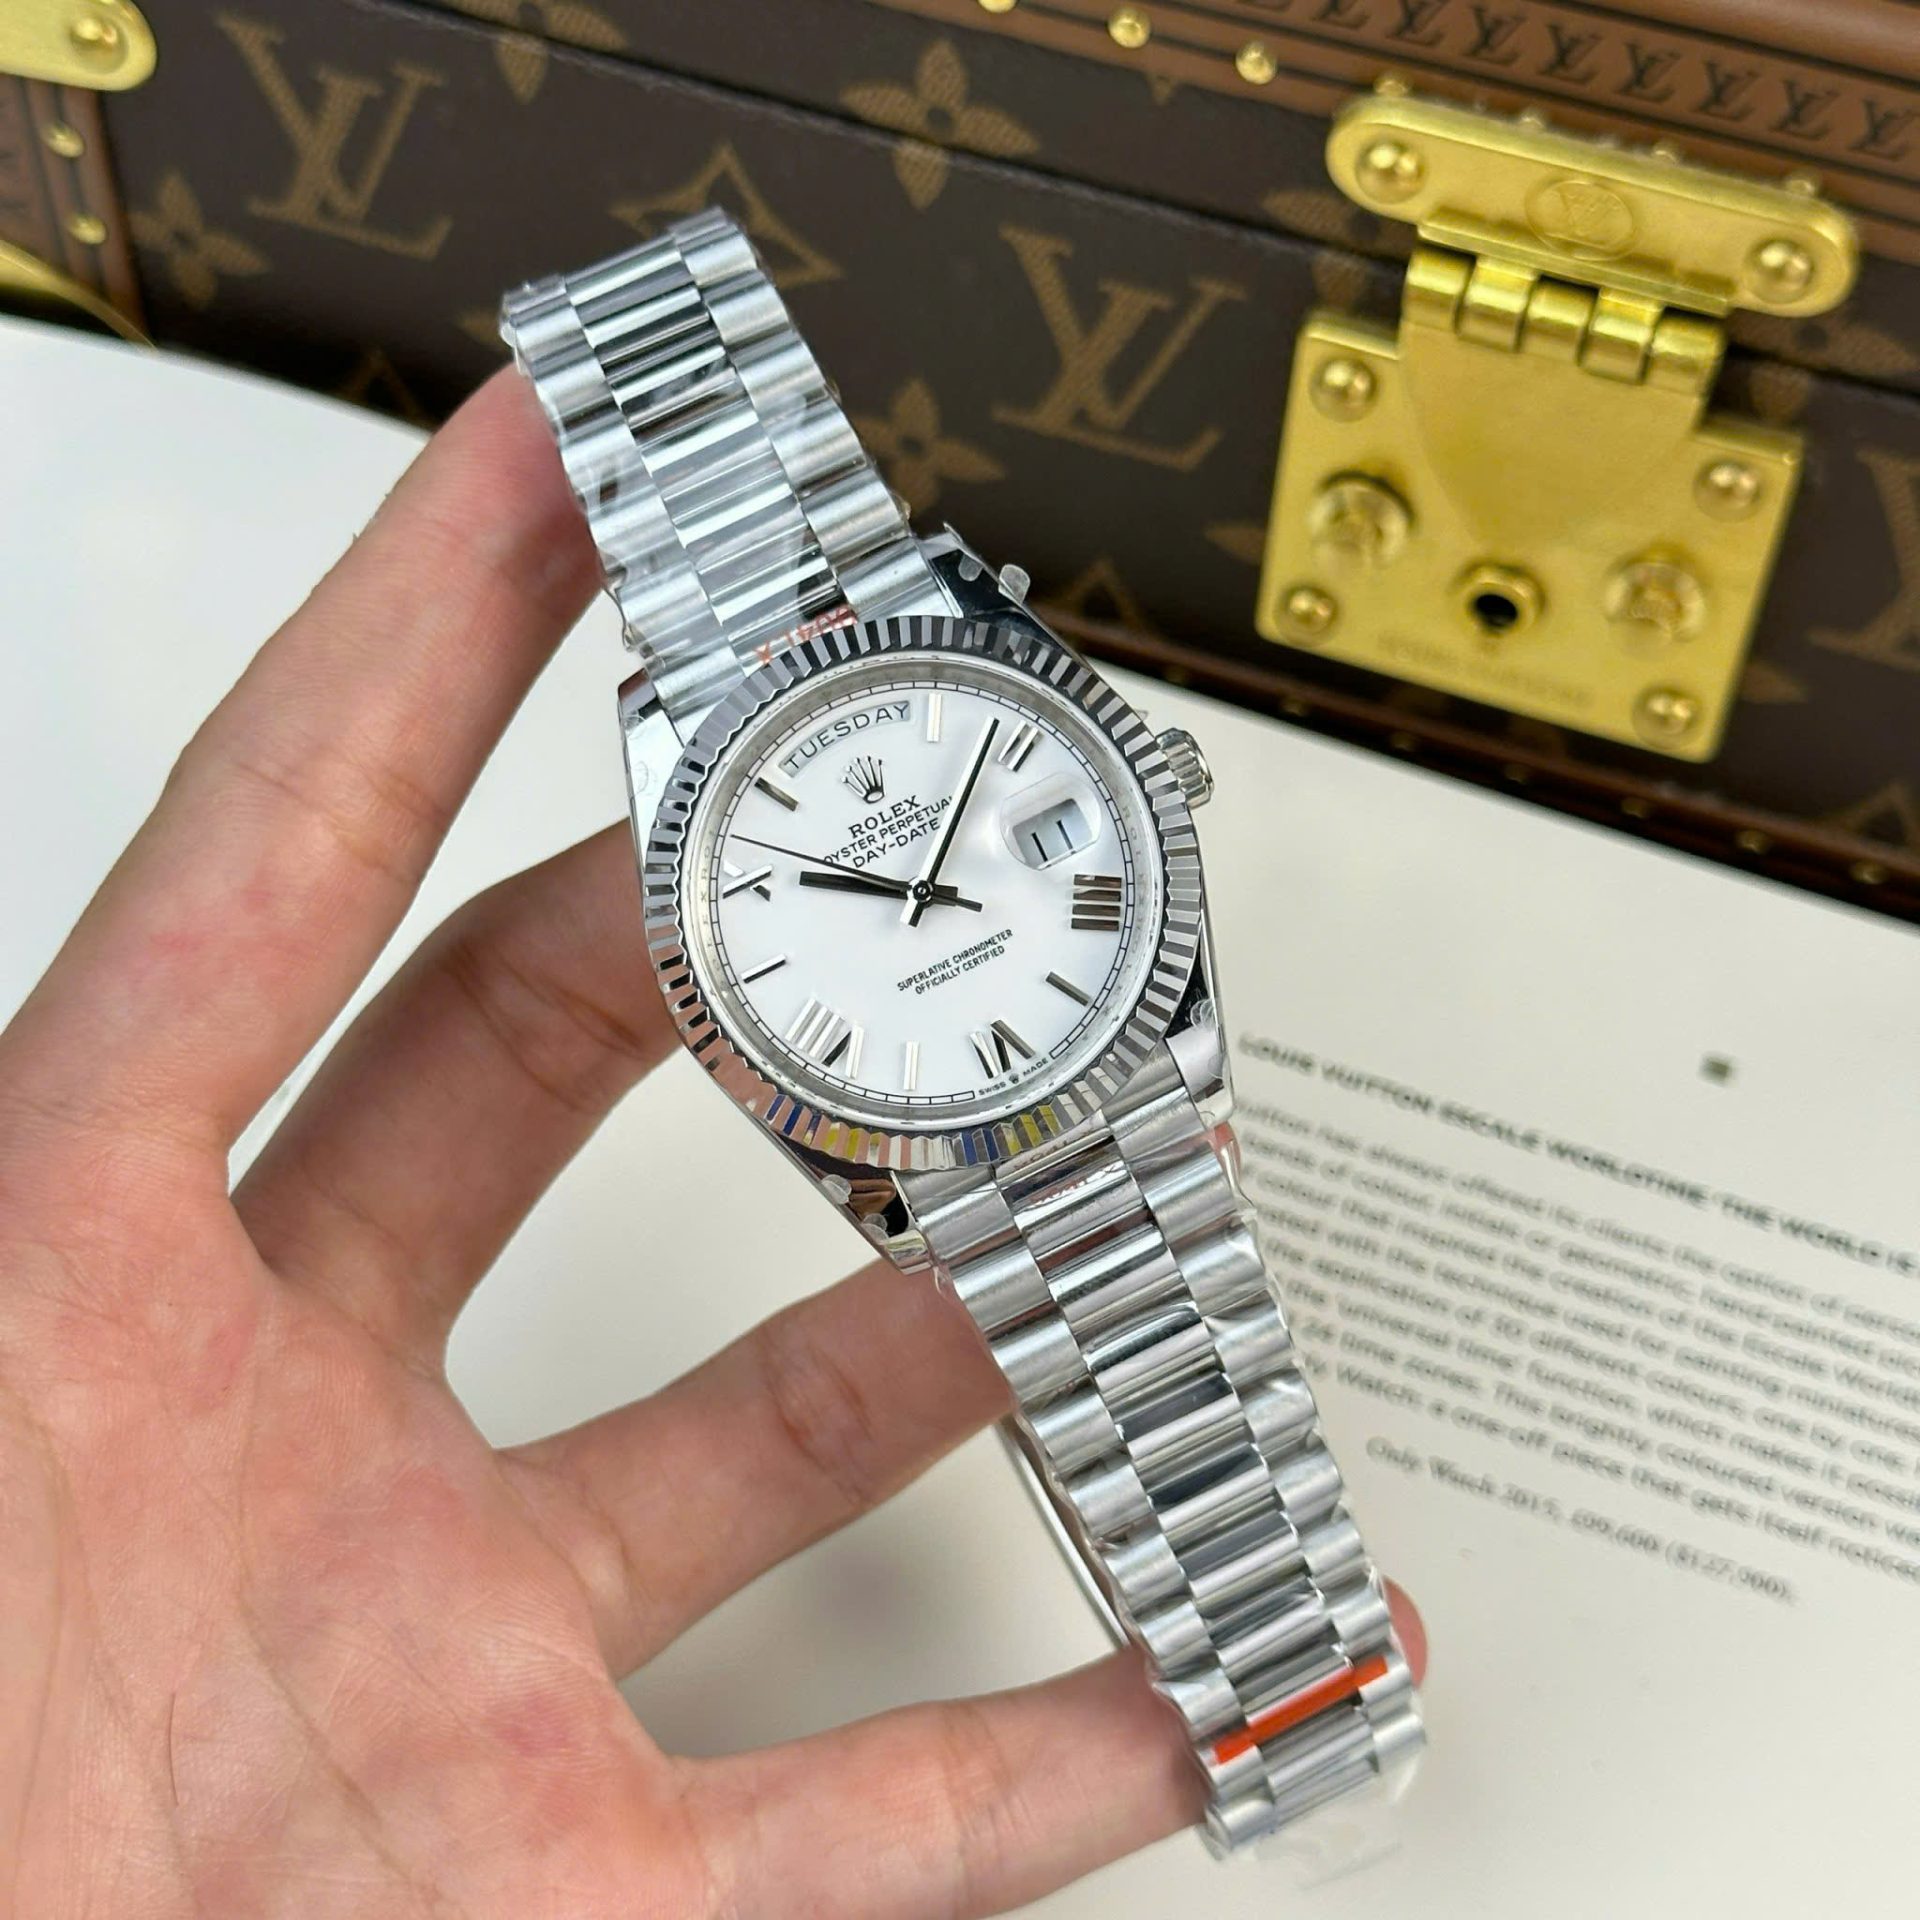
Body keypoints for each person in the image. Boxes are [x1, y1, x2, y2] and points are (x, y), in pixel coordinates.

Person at [0, 369, 1425, 1916]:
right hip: (982, 1097)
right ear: (713, 974)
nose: (923, 905)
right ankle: (1290, 1704)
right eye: (884, 903)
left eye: (927, 886)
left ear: (1142, 781)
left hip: (1103, 1060)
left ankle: (1294, 1690)